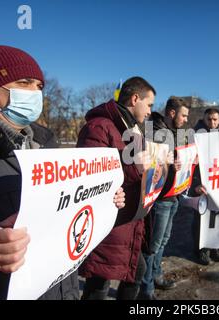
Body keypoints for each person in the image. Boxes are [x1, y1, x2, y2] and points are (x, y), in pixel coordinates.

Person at [0, 45, 125, 300]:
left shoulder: (47, 145)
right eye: (25, 83)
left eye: (39, 86)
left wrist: (102, 197)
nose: (35, 93)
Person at [77, 76, 155, 300]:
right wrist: (136, 169)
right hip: (109, 221)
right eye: (149, 105)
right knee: (99, 282)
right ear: (135, 98)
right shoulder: (100, 127)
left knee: (135, 270)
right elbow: (89, 178)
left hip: (128, 220)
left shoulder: (134, 130)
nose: (150, 111)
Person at [138, 96, 190, 300]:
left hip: (174, 195)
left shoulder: (177, 132)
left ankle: (157, 275)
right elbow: (150, 163)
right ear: (172, 113)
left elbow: (173, 158)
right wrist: (169, 164)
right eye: (183, 115)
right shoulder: (154, 130)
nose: (186, 119)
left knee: (164, 240)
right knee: (152, 245)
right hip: (160, 198)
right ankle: (146, 289)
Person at [191, 108, 219, 265]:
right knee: (202, 218)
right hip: (202, 184)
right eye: (209, 119)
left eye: (215, 120)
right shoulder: (195, 135)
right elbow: (192, 164)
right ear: (204, 119)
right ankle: (201, 250)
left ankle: (218, 248)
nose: (212, 122)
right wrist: (195, 185)